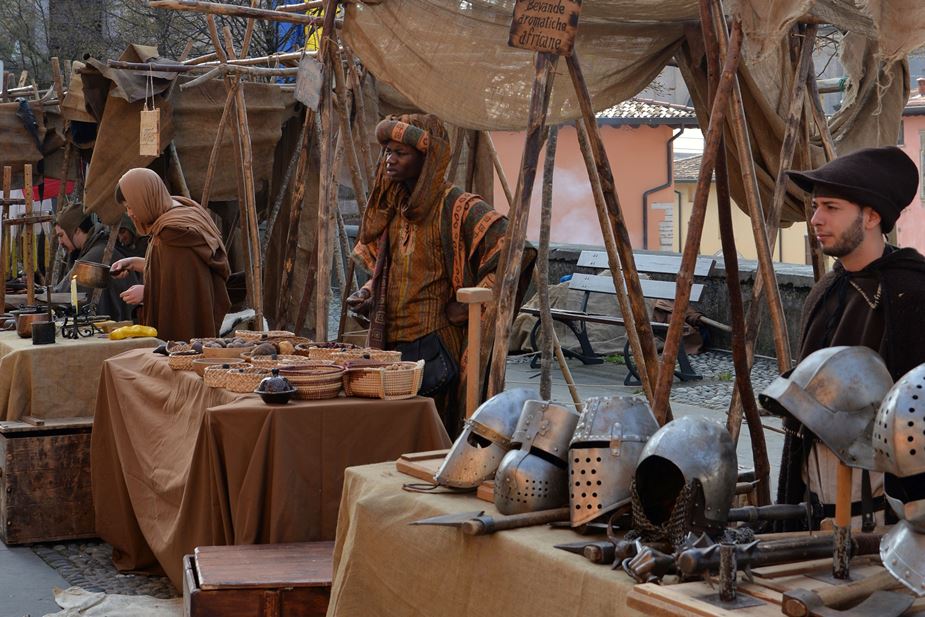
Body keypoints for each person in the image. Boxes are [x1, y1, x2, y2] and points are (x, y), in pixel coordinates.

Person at [346, 114, 534, 436]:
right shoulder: (393, 206)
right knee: (392, 430)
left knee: (435, 429)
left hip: (435, 345)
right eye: (387, 152)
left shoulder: (458, 206)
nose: (389, 160)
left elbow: (514, 250)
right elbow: (388, 266)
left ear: (427, 159)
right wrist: (368, 292)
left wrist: (468, 305)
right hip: (389, 344)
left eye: (400, 153)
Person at [776, 146, 925, 525]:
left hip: (886, 512)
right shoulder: (825, 292)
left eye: (831, 207)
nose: (815, 219)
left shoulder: (915, 292)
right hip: (815, 507)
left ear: (872, 216)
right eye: (814, 207)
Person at [110, 168, 231, 341]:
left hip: (185, 328)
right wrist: (134, 263)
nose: (130, 213)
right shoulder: (185, 210)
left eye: (130, 206)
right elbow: (173, 269)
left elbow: (182, 290)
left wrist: (147, 293)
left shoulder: (173, 232)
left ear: (144, 198)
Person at [53, 204, 139, 321]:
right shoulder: (98, 247)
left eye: (61, 235)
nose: (60, 242)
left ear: (77, 231)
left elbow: (61, 295)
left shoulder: (94, 256)